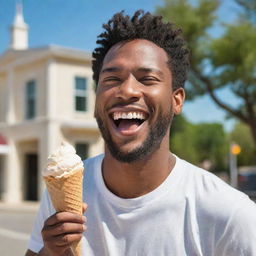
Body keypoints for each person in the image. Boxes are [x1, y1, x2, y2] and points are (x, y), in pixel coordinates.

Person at [25, 10, 256, 256]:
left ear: (176, 100)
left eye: (147, 79)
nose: (127, 90)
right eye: (112, 79)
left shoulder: (230, 215)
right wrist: (49, 252)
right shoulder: (64, 194)